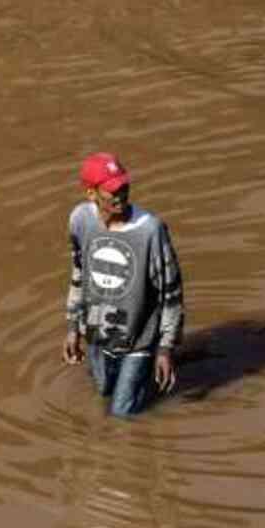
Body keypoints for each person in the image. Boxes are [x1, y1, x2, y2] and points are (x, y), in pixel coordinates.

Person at [62, 152, 185, 416]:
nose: (121, 195)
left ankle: (147, 366)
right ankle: (145, 381)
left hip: (140, 338)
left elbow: (171, 292)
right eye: (112, 191)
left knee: (121, 414)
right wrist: (73, 326)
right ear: (91, 194)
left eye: (124, 187)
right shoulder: (80, 220)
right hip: (98, 333)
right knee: (104, 391)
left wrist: (165, 348)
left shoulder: (151, 230)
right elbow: (79, 274)